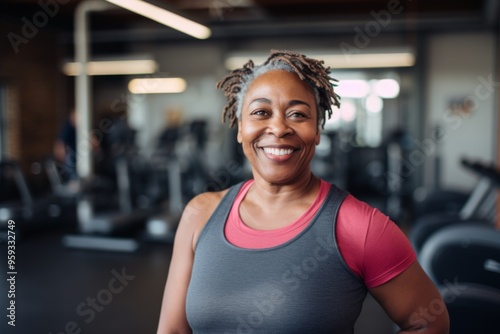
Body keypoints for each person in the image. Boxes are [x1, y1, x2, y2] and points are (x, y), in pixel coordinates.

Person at [156, 50, 449, 334]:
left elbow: (429, 323)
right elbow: (172, 329)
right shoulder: (200, 214)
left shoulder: (361, 227)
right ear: (240, 127)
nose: (279, 127)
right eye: (260, 112)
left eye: (297, 114)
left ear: (318, 130)